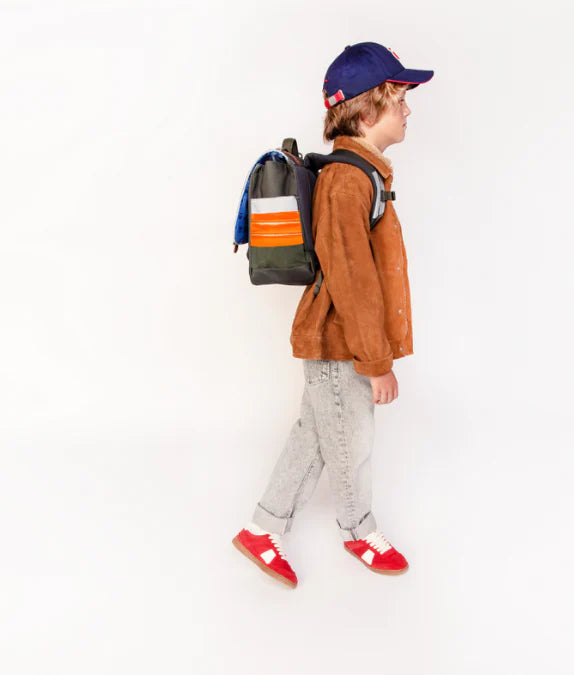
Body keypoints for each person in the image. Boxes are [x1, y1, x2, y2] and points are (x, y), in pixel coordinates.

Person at [232, 42, 434, 588]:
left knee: (319, 434)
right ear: (367, 112)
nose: (408, 110)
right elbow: (352, 278)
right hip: (340, 341)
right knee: (352, 441)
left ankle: (262, 528)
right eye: (399, 100)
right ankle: (358, 529)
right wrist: (377, 362)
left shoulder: (364, 174)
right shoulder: (349, 180)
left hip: (337, 338)